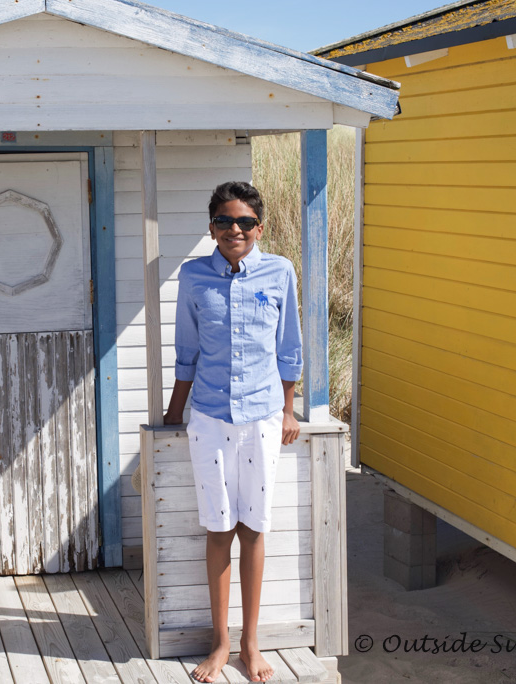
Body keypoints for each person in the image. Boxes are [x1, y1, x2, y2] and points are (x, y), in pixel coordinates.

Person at [164, 181, 302, 683]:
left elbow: (289, 348)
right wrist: (174, 412)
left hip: (264, 415)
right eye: (225, 221)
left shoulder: (279, 271)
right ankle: (220, 644)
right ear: (212, 228)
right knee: (220, 528)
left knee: (253, 527)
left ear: (259, 228)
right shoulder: (194, 276)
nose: (235, 229)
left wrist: (289, 411)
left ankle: (251, 643)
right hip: (209, 416)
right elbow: (187, 348)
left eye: (244, 222)